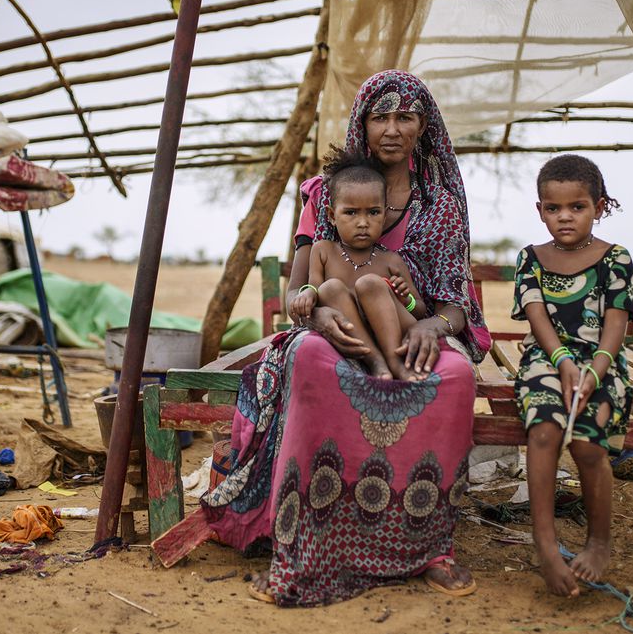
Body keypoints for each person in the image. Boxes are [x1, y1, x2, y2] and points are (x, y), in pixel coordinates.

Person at [202, 70, 491, 607]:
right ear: (362, 121)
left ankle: (430, 547)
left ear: (424, 125)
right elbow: (299, 289)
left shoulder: (441, 205)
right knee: (312, 360)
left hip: (408, 330)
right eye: (380, 116)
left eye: (405, 117)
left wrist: (430, 326)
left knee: (453, 376)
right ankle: (304, 543)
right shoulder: (323, 192)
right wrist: (315, 317)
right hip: (333, 327)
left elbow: (453, 305)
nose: (392, 129)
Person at [512, 154, 633, 597]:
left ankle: (599, 541)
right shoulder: (531, 259)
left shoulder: (616, 258)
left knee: (587, 443)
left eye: (577, 206)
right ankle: (546, 545)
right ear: (540, 210)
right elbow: (537, 318)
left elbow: (616, 325)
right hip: (546, 358)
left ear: (599, 207)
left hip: (602, 362)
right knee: (544, 431)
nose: (564, 216)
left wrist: (593, 372)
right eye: (553, 208)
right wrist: (564, 362)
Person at [290, 148, 428, 380]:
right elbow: (315, 286)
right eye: (351, 213)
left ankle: (394, 362)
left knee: (370, 284)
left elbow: (420, 311)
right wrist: (307, 294)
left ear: (384, 215)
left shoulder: (391, 260)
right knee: (329, 288)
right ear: (332, 216)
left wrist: (406, 299)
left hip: (392, 330)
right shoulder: (322, 250)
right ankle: (376, 362)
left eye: (373, 212)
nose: (363, 222)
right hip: (351, 331)